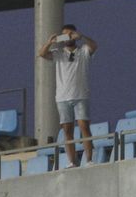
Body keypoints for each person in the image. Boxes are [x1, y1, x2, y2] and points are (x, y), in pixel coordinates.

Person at [39, 24, 98, 166]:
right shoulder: (58, 53)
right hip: (62, 97)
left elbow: (94, 46)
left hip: (80, 95)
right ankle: (72, 161)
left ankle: (89, 159)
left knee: (84, 127)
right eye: (65, 35)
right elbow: (42, 54)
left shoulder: (83, 50)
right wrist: (50, 42)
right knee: (67, 130)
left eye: (70, 34)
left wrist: (82, 36)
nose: (68, 37)